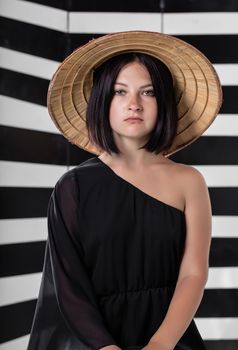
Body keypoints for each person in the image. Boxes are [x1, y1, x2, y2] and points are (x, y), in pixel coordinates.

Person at [27, 31, 222, 350]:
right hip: (89, 340)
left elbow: (193, 273)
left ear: (165, 102)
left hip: (169, 338)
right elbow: (68, 284)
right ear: (103, 100)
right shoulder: (72, 186)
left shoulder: (189, 181)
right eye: (120, 92)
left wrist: (161, 344)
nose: (134, 104)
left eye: (148, 92)